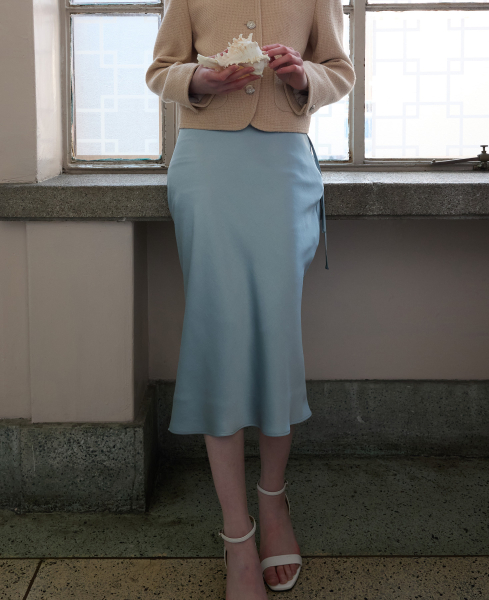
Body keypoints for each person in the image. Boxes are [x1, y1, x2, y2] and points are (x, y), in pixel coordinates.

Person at [145, 1, 355, 598]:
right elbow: (161, 70)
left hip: (283, 164)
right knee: (217, 334)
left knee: (275, 335)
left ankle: (273, 499)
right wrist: (199, 79)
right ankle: (237, 533)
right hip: (206, 165)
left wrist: (302, 76)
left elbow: (339, 70)